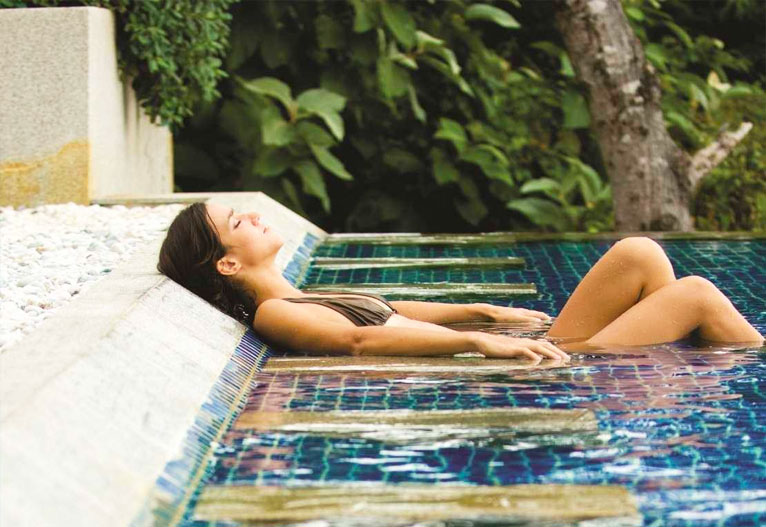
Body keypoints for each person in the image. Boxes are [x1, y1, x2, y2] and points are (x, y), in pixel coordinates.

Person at [157, 202, 764, 363]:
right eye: (239, 222)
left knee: (642, 254)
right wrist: (478, 342)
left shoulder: (299, 294)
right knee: (698, 293)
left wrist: (482, 310)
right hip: (554, 365)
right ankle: (751, 354)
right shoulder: (273, 314)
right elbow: (361, 342)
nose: (256, 216)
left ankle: (710, 349)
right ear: (227, 265)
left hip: (536, 346)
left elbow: (389, 309)